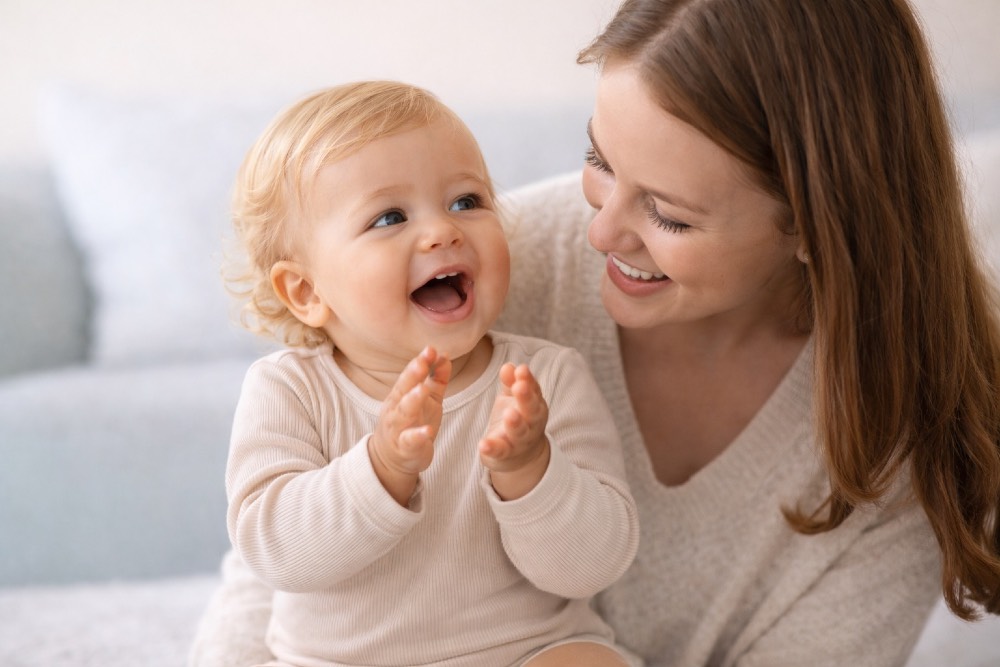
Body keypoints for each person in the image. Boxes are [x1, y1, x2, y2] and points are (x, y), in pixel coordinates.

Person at [191, 1, 1000, 666]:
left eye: (668, 214)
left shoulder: (908, 432)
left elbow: (588, 551)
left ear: (816, 225)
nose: (601, 232)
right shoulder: (497, 269)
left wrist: (532, 471)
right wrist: (380, 470)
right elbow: (273, 568)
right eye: (599, 160)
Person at [217, 80, 640, 667]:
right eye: (389, 217)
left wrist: (531, 471)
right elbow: (273, 549)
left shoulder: (542, 378)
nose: (444, 230)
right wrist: (382, 468)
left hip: (524, 651)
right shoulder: (290, 391)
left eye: (467, 201)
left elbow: (594, 564)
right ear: (308, 291)